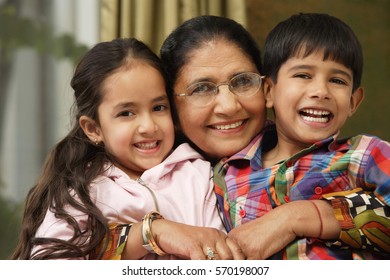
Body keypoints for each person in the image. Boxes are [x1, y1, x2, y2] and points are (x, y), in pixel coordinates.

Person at [12, 37, 244, 260]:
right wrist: (147, 234)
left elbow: (216, 250)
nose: (148, 126)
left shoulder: (197, 173)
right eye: (126, 113)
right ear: (93, 129)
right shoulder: (80, 190)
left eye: (158, 107)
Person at [214, 12, 390, 259]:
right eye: (303, 75)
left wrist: (307, 216)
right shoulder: (229, 172)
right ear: (268, 91)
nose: (320, 91)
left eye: (337, 80)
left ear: (353, 101)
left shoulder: (364, 154)